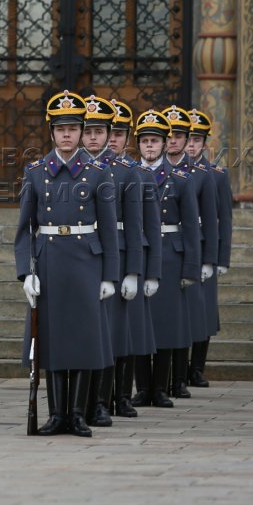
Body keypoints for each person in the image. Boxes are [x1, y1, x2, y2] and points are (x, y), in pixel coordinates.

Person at [15, 90, 119, 438]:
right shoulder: (35, 172)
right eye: (61, 129)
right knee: (54, 340)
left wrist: (110, 276)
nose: (67, 135)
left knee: (84, 339)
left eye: (73, 128)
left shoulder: (97, 173)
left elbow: (108, 229)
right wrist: (25, 271)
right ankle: (56, 413)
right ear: (51, 132)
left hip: (86, 262)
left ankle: (77, 414)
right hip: (49, 262)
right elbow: (24, 229)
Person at [135, 109, 200, 408]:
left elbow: (190, 227)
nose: (150, 146)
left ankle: (159, 388)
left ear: (165, 144)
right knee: (137, 323)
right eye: (145, 140)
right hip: (139, 250)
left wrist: (191, 267)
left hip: (170, 254)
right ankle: (141, 386)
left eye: (155, 141)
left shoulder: (181, 179)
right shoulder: (127, 174)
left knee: (164, 324)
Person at [78, 96, 134, 428]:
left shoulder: (127, 171)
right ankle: (78, 402)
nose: (96, 138)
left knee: (108, 335)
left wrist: (135, 271)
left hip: (112, 256)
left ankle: (101, 401)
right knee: (84, 333)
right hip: (81, 254)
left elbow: (138, 224)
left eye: (102, 132)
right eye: (90, 131)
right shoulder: (71, 166)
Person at [108, 99, 160, 416]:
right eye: (108, 132)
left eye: (119, 133)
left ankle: (123, 395)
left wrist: (150, 272)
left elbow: (150, 227)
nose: (112, 139)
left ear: (128, 138)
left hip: (130, 257)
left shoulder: (138, 174)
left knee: (126, 331)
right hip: (98, 255)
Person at [163, 105, 216, 399]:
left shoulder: (203, 173)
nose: (172, 140)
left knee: (186, 317)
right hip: (163, 249)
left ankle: (183, 375)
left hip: (187, 247)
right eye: (167, 135)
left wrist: (209, 259)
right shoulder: (150, 169)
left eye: (179, 136)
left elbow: (211, 218)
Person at [185, 109, 232, 388]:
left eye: (197, 140)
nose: (191, 145)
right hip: (180, 246)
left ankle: (197, 367)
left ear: (205, 143)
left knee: (203, 310)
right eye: (188, 139)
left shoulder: (216, 175)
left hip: (205, 247)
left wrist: (219, 257)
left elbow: (223, 218)